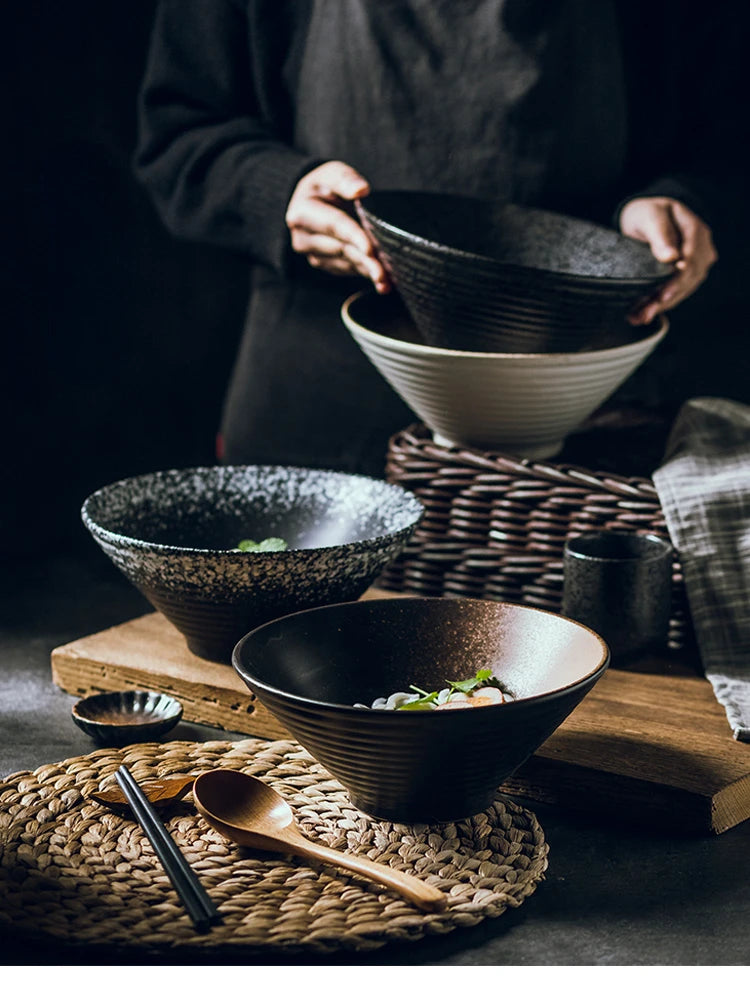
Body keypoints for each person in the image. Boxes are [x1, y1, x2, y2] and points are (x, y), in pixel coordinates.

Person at [134, 1, 734, 478]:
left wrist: (684, 199)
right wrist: (277, 192)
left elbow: (727, 134)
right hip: (325, 410)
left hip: (591, 420)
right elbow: (179, 133)